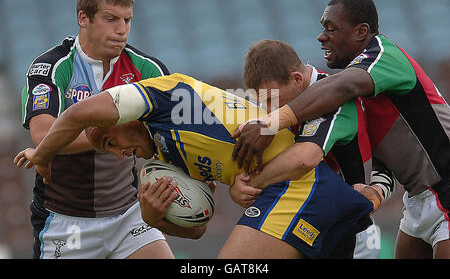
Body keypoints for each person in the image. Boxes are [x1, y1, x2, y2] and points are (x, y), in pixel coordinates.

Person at [15, 72, 374, 259]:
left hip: (303, 188)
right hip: (290, 195)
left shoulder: (165, 96)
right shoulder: (164, 157)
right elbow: (200, 225)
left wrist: (43, 154)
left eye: (111, 142)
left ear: (122, 117)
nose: (119, 154)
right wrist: (154, 219)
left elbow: (78, 112)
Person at [232, 0, 450, 259]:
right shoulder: (361, 91)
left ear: (361, 32)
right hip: (418, 199)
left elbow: (340, 85)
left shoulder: (383, 55)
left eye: (330, 28)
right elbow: (386, 155)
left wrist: (270, 124)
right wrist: (378, 192)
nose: (321, 37)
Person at [21, 0, 173, 259]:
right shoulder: (51, 67)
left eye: (127, 20)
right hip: (65, 221)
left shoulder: (148, 69)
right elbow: (43, 136)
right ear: (83, 18)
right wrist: (120, 134)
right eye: (111, 19)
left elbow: (176, 132)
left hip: (129, 214)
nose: (122, 30)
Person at [226, 39, 394, 259]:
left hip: (347, 232)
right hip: (302, 222)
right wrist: (236, 184)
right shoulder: (281, 101)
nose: (268, 111)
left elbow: (305, 158)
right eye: (262, 102)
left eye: (271, 99)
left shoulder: (334, 97)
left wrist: (250, 184)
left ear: (297, 79)